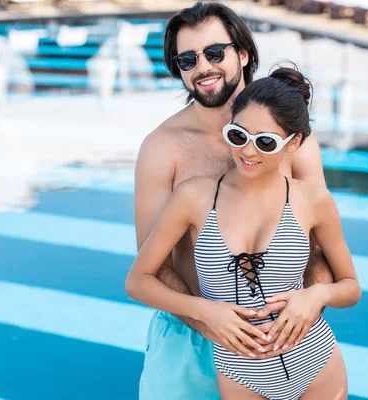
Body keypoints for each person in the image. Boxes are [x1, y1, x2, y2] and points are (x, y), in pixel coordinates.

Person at [133, 2, 334, 399]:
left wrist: (308, 309)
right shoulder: (162, 149)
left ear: (242, 53)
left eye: (214, 52)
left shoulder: (295, 139)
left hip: (288, 343)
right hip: (190, 344)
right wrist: (213, 325)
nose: (202, 68)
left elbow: (321, 246)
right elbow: (151, 265)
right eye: (187, 59)